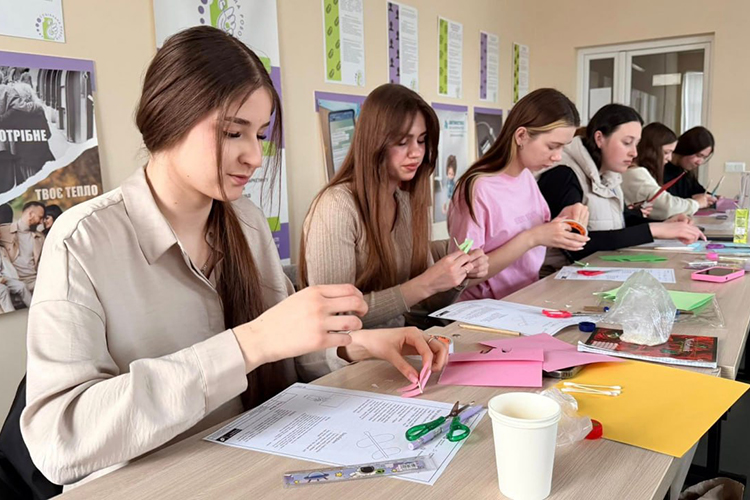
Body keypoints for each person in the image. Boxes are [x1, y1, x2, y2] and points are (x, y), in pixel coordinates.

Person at [20, 27, 447, 488]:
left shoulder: (246, 221)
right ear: (170, 116)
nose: (255, 156)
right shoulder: (81, 241)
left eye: (259, 134)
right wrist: (245, 346)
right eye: (232, 132)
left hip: (253, 468)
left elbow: (286, 347)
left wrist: (354, 345)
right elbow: (58, 442)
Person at [299, 83, 489, 329]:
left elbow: (424, 305)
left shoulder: (405, 203)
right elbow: (336, 318)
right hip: (351, 350)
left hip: (399, 339)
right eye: (402, 142)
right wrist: (425, 284)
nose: (417, 153)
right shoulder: (336, 206)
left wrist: (458, 276)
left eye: (421, 141)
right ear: (374, 142)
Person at [447, 88, 589, 300]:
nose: (558, 157)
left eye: (563, 148)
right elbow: (463, 278)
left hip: (525, 297)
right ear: (521, 136)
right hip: (483, 309)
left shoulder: (526, 177)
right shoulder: (477, 188)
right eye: (552, 146)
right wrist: (533, 238)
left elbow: (532, 237)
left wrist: (562, 224)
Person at [537, 104, 704, 271]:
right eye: (627, 143)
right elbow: (575, 244)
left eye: (636, 144)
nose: (634, 153)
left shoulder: (608, 174)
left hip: (595, 269)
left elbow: (623, 220)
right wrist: (655, 230)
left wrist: (665, 224)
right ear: (599, 138)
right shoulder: (564, 174)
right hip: (559, 276)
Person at [622, 122, 707, 220]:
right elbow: (668, 206)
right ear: (651, 151)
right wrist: (696, 203)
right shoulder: (635, 173)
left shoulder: (639, 172)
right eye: (666, 152)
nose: (670, 158)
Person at [0, 201, 45, 292]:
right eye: (40, 217)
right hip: (13, 283)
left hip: (36, 282)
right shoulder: (4, 231)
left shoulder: (40, 238)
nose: (41, 222)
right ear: (30, 214)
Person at [664, 126, 717, 202]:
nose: (700, 162)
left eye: (704, 158)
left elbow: (698, 191)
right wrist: (694, 201)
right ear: (687, 149)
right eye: (698, 155)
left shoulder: (686, 172)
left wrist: (714, 197)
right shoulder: (661, 170)